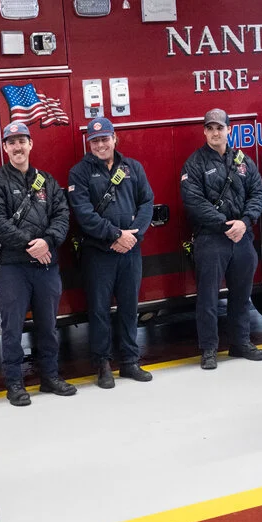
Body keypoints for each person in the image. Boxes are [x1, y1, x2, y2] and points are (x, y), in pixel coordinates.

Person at [0, 122, 74, 406]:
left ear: (31, 144)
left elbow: (62, 215)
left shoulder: (46, 181)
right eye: (12, 142)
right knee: (12, 329)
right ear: (5, 147)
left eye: (22, 140)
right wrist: (31, 245)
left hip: (46, 266)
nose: (18, 147)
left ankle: (50, 377)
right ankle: (15, 384)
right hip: (13, 267)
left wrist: (48, 241)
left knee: (48, 325)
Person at [67, 117, 155, 388]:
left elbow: (147, 202)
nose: (101, 144)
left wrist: (133, 235)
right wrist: (116, 235)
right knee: (99, 310)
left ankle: (129, 361)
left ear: (115, 138)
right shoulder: (78, 173)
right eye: (95, 140)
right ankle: (103, 365)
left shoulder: (133, 168)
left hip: (130, 251)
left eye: (105, 138)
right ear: (88, 143)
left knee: (130, 308)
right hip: (99, 253)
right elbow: (83, 214)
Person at [181, 108, 262, 370]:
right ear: (204, 131)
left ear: (229, 130)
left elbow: (258, 193)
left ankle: (240, 343)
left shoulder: (243, 160)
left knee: (242, 295)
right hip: (211, 239)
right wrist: (224, 224)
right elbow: (193, 201)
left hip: (242, 237)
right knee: (208, 298)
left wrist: (244, 222)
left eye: (220, 127)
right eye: (210, 128)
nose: (215, 132)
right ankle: (209, 349)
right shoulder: (194, 163)